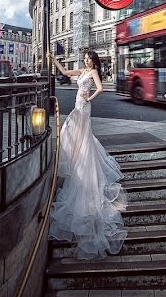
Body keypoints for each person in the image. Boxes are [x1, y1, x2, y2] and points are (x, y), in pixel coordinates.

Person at [47, 51, 127, 259]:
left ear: (93, 60)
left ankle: (78, 161)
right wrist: (54, 59)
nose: (85, 61)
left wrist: (88, 97)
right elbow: (64, 71)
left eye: (88, 58)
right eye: (84, 58)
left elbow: (100, 89)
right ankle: (75, 159)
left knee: (74, 132)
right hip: (78, 105)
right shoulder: (82, 70)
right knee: (72, 132)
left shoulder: (92, 72)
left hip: (84, 107)